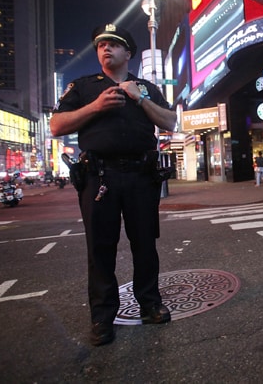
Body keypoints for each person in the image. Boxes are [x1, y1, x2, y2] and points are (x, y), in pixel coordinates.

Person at [50, 23, 177, 346]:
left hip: (140, 176)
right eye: (100, 45)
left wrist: (140, 100)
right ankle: (102, 318)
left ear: (128, 53)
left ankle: (150, 304)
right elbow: (56, 126)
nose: (105, 49)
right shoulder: (84, 87)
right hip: (99, 177)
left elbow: (170, 122)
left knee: (144, 244)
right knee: (100, 249)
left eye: (113, 44)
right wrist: (95, 107)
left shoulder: (145, 87)